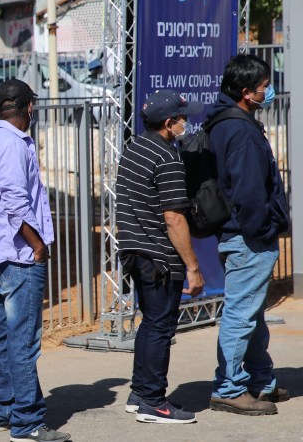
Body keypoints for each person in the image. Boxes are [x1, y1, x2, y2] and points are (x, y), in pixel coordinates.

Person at [0, 78, 69, 442]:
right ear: (29, 107)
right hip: (19, 254)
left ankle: (3, 410)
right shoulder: (12, 145)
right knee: (23, 339)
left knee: (4, 336)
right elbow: (15, 202)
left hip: (0, 252)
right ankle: (27, 421)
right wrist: (37, 245)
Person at [205, 54, 289, 416]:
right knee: (241, 314)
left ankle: (260, 379)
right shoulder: (240, 131)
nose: (268, 92)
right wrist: (264, 229)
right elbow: (250, 191)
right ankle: (229, 387)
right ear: (245, 93)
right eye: (263, 88)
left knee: (251, 313)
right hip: (247, 237)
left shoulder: (226, 122)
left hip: (240, 235)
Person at [115, 90, 205, 424]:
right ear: (169, 123)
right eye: (183, 119)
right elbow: (174, 218)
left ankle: (141, 393)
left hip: (137, 251)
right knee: (160, 328)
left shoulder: (135, 147)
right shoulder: (166, 158)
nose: (186, 123)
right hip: (159, 258)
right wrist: (193, 268)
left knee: (151, 324)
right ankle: (153, 401)